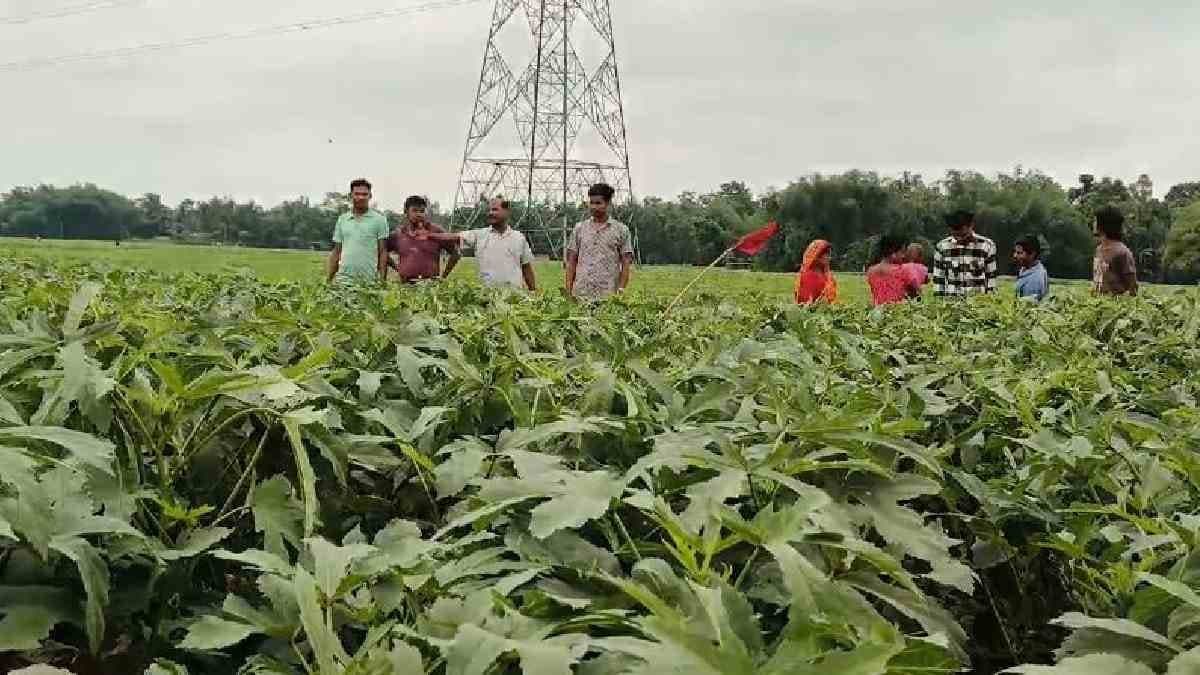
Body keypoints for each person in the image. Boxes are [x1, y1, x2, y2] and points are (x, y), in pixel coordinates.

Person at [431, 198, 537, 291]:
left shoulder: (519, 238)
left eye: (495, 209)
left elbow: (526, 267)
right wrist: (429, 236)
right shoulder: (480, 235)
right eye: (489, 210)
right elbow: (454, 237)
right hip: (487, 297)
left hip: (514, 297)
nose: (490, 213)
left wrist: (533, 290)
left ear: (507, 212)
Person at [565, 183, 635, 300]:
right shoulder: (579, 229)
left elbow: (626, 264)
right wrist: (568, 291)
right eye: (591, 203)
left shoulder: (621, 230)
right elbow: (571, 262)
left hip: (608, 296)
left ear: (608, 204)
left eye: (598, 203)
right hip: (581, 294)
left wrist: (621, 290)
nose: (593, 207)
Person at [327, 178, 389, 284]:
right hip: (343, 281)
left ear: (370, 196)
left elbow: (383, 252)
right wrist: (328, 280)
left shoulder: (380, 220)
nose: (361, 197)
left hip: (368, 283)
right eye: (357, 194)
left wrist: (382, 281)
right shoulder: (342, 219)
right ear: (351, 196)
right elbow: (337, 251)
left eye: (365, 194)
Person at [386, 195, 461, 283]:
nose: (419, 214)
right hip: (405, 287)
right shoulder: (398, 234)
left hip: (430, 287)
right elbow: (381, 252)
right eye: (414, 210)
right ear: (406, 212)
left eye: (422, 211)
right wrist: (396, 267)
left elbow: (456, 253)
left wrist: (443, 277)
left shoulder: (436, 231)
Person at [932, 210, 997, 297]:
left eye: (963, 235)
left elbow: (991, 278)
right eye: (955, 235)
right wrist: (939, 303)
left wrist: (990, 301)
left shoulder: (986, 246)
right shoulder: (942, 247)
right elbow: (938, 280)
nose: (959, 239)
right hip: (952, 304)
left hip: (979, 304)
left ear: (971, 226)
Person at [1092, 205, 1138, 296]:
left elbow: (1132, 286)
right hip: (1099, 303)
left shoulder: (1122, 252)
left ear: (1103, 224)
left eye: (1095, 221)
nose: (1093, 223)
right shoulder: (1098, 250)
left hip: (1116, 305)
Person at [867, 235, 920, 306]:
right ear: (893, 253)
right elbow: (918, 293)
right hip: (899, 312)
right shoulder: (903, 270)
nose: (903, 256)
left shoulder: (871, 271)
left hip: (878, 311)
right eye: (902, 252)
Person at [794, 239, 838, 304]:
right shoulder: (808, 275)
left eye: (829, 254)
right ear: (817, 255)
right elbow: (806, 302)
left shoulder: (827, 275)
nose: (829, 257)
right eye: (826, 254)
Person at [1013, 235, 1049, 301]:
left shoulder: (1035, 279)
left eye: (1019, 253)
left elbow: (1026, 306)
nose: (1015, 255)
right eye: (1015, 252)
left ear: (1032, 254)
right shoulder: (1027, 268)